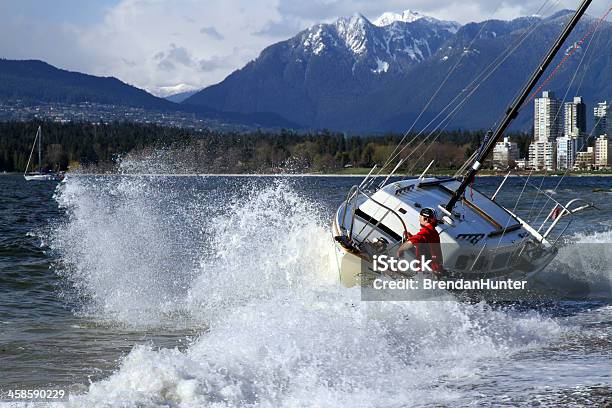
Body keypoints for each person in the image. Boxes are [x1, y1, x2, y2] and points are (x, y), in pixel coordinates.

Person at [397, 207, 444, 278]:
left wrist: (400, 250)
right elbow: (424, 244)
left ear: (426, 219)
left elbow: (414, 241)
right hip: (434, 272)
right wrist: (410, 237)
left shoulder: (427, 232)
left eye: (420, 217)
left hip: (427, 274)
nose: (419, 219)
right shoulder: (433, 232)